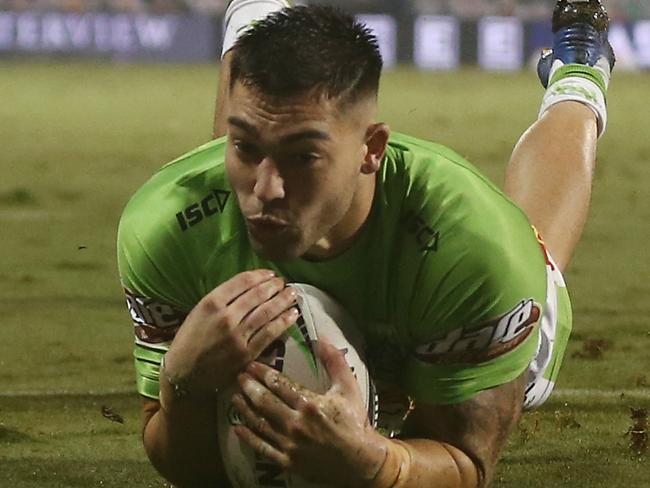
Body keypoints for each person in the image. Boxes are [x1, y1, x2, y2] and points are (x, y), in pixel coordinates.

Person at [117, 0, 615, 486]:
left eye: (302, 156)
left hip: (441, 315)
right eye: (243, 147)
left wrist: (377, 466)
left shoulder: (475, 253)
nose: (265, 187)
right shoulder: (166, 227)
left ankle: (578, 72)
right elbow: (185, 467)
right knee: (254, 168)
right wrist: (181, 385)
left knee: (534, 246)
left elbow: (467, 462)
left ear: (371, 150)